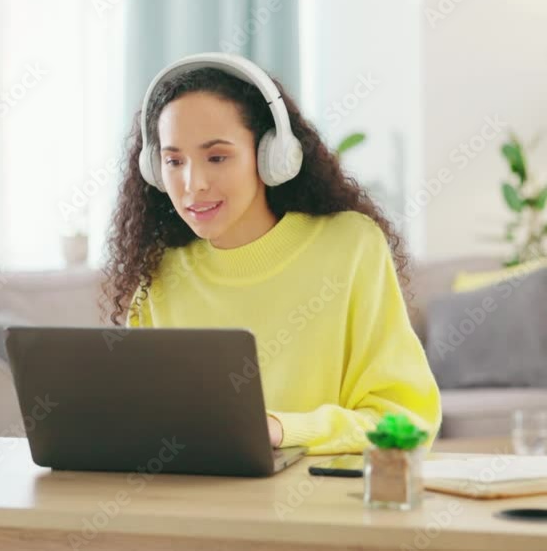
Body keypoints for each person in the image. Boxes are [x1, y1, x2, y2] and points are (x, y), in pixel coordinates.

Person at [104, 53, 441, 455]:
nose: (193, 184)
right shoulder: (160, 270)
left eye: (217, 157)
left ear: (273, 156)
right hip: (195, 501)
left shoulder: (350, 246)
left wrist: (284, 430)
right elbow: (138, 420)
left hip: (322, 503)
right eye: (174, 161)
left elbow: (406, 421)